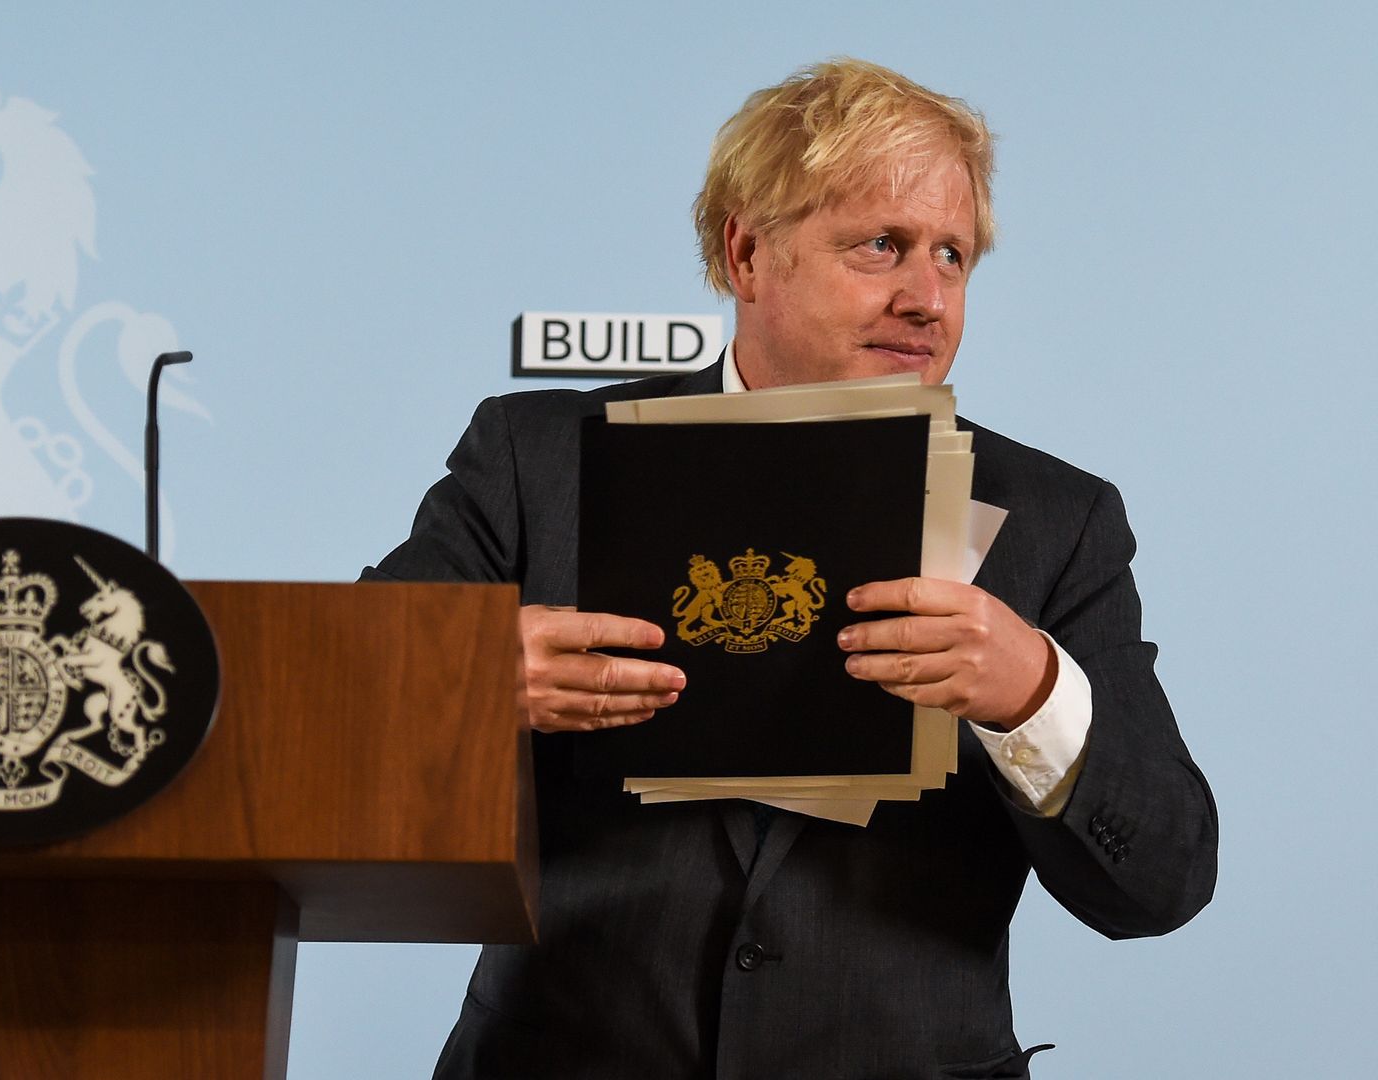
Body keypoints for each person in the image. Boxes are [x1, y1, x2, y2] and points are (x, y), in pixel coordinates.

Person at [363, 59, 1218, 1079]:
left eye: (953, 256)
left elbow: (1163, 879)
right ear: (746, 252)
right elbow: (340, 697)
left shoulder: (1058, 521)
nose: (927, 298)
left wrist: (1031, 695)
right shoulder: (536, 456)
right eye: (881, 245)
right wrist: (464, 679)